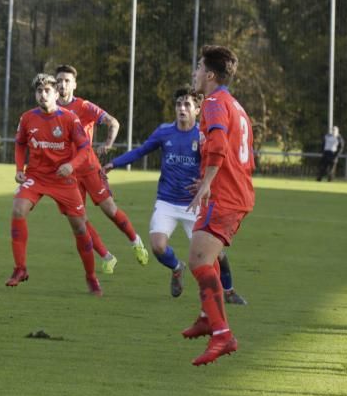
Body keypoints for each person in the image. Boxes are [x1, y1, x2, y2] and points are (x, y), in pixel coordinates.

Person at [104, 88, 247, 305]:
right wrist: (114, 163)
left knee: (215, 254)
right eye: (179, 104)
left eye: (187, 104)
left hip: (195, 204)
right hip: (167, 201)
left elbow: (219, 163)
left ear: (198, 110)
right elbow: (140, 151)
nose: (182, 108)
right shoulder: (164, 132)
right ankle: (176, 267)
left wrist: (206, 182)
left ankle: (228, 290)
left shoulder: (202, 136)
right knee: (158, 246)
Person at [182, 45, 255, 366]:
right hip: (229, 191)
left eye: (198, 67)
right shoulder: (233, 104)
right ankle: (206, 316)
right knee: (205, 257)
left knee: (198, 260)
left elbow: (219, 143)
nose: (195, 73)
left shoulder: (212, 103)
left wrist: (210, 181)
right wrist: (209, 179)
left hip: (225, 195)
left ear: (210, 75)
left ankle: (222, 335)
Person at [8, 74, 103, 295]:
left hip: (63, 180)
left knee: (80, 227)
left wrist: (71, 165)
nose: (43, 95)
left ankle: (91, 277)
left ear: (55, 93)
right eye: (39, 91)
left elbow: (84, 149)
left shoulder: (69, 118)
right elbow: (20, 144)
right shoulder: (27, 118)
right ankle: (20, 268)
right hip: (37, 177)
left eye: (47, 91)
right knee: (17, 209)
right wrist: (18, 170)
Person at [54, 65, 149, 270]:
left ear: (74, 84)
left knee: (110, 209)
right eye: (59, 80)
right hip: (68, 173)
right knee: (79, 221)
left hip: (89, 167)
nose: (62, 84)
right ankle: (107, 257)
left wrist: (107, 143)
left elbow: (113, 122)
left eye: (67, 80)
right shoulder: (50, 110)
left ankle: (136, 242)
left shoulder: (84, 106)